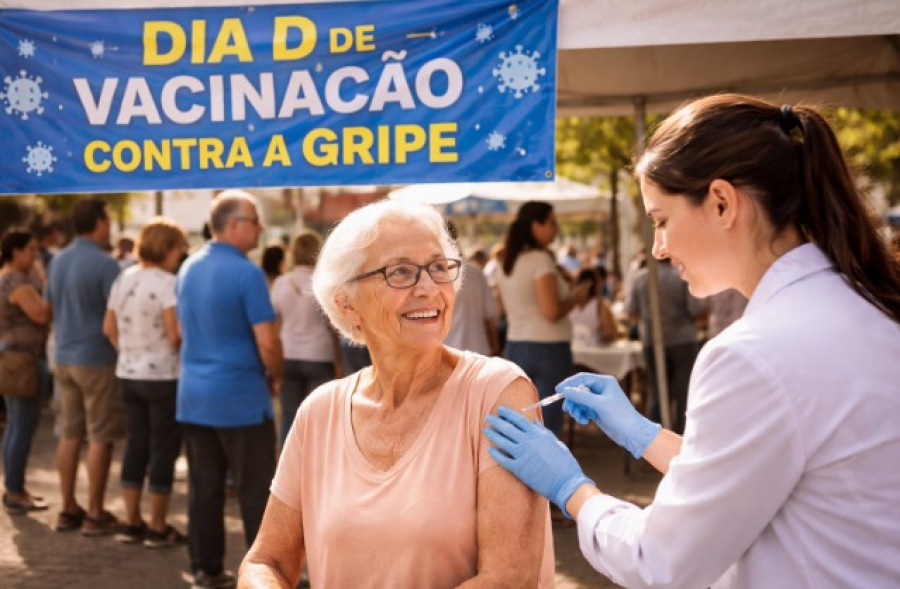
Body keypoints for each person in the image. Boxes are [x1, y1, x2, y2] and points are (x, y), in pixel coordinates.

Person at [484, 93, 900, 588]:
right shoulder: (864, 304)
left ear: (722, 203)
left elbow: (662, 561)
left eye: (661, 220)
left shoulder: (751, 353)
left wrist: (572, 488)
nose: (658, 247)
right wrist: (645, 435)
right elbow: (757, 474)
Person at [238, 200, 554, 588]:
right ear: (345, 302)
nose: (429, 289)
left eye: (438, 268)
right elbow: (265, 560)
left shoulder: (497, 393)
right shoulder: (319, 412)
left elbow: (510, 578)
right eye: (400, 272)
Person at [177, 190, 282, 589]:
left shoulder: (189, 266)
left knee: (204, 490)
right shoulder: (247, 272)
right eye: (255, 220)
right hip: (239, 397)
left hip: (195, 396)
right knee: (256, 492)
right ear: (234, 225)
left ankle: (205, 568)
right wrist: (276, 373)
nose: (260, 228)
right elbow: (268, 342)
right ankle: (267, 574)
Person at [103, 217, 188, 548]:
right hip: (162, 375)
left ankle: (131, 520)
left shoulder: (123, 278)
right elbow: (174, 334)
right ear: (167, 248)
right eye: (178, 248)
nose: (180, 255)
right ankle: (157, 524)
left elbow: (108, 327)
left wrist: (128, 351)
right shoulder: (168, 283)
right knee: (163, 447)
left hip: (128, 372)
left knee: (135, 444)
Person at [45, 198, 124, 536]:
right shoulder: (107, 265)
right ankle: (94, 512)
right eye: (107, 219)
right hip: (96, 359)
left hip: (63, 356)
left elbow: (49, 306)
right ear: (99, 222)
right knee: (100, 437)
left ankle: (67, 507)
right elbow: (116, 314)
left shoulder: (57, 260)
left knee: (69, 434)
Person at [494, 201, 590, 437]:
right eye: (552, 222)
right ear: (536, 226)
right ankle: (546, 473)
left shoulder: (505, 262)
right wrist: (576, 298)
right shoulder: (539, 260)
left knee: (520, 421)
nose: (556, 229)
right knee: (547, 424)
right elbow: (551, 311)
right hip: (548, 348)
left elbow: (503, 307)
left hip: (516, 344)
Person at [270, 230, 340, 446]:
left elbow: (275, 325)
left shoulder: (281, 283)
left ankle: (287, 467)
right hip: (319, 356)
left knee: (289, 417)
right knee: (320, 417)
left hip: (289, 355)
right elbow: (333, 326)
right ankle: (318, 467)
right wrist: (338, 361)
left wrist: (275, 365)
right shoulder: (324, 283)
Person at [625, 257, 708, 433]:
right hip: (683, 340)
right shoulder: (682, 276)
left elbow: (631, 310)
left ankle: (653, 443)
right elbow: (696, 310)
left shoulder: (640, 278)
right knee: (685, 394)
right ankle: (683, 441)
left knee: (656, 394)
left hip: (652, 341)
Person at [0, 229, 50, 514]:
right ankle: (15, 490)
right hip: (23, 360)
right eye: (30, 250)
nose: (35, 255)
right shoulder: (15, 280)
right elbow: (41, 314)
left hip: (13, 357)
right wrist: (44, 280)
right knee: (22, 425)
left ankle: (14, 487)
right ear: (15, 250)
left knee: (17, 425)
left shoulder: (7, 277)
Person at [444, 221, 501, 356]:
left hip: (444, 357)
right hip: (477, 354)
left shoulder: (423, 276)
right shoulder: (475, 272)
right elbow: (490, 318)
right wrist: (496, 348)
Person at [569, 268, 618, 346]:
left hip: (588, 349)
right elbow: (610, 333)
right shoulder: (600, 305)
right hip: (589, 349)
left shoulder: (600, 305)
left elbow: (610, 333)